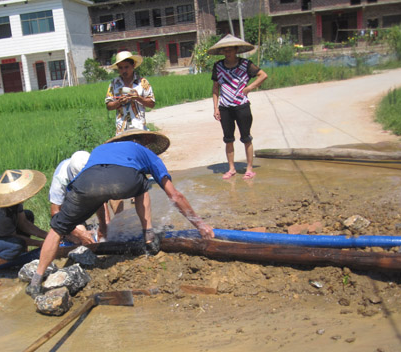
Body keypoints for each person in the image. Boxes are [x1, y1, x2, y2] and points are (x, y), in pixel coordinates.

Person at [26, 130, 215, 297]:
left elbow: (99, 190)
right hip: (124, 180)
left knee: (57, 228)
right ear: (145, 143)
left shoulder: (101, 149)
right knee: (142, 182)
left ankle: (36, 280)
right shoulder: (147, 154)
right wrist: (201, 226)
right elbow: (175, 195)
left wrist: (103, 228)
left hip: (85, 182)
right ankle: (148, 236)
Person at [210, 34, 268, 180]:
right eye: (225, 50)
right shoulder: (218, 66)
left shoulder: (245, 64)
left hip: (241, 106)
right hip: (225, 107)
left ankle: (249, 168)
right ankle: (231, 168)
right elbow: (216, 88)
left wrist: (250, 87)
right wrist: (216, 108)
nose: (228, 53)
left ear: (236, 50)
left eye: (230, 50)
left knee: (246, 137)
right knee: (228, 139)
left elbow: (263, 75)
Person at [49, 150, 103, 245]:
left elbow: (100, 198)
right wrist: (79, 233)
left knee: (99, 234)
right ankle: (67, 234)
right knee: (80, 240)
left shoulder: (93, 167)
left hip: (80, 200)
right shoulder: (60, 179)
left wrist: (104, 225)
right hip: (67, 207)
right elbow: (55, 212)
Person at [105, 50, 156, 135]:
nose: (124, 71)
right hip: (121, 129)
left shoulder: (142, 82)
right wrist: (119, 102)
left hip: (139, 126)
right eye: (120, 68)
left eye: (126, 67)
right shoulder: (114, 84)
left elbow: (152, 103)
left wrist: (138, 98)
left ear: (133, 66)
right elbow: (108, 106)